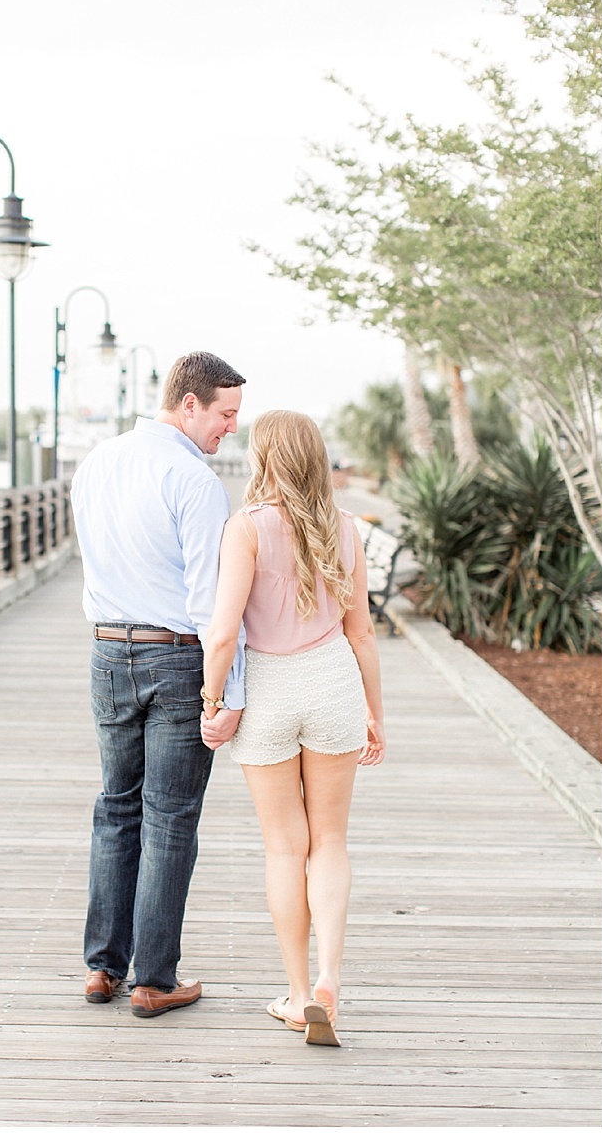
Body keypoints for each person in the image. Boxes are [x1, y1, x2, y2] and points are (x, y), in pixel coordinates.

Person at [199, 409, 385, 1048]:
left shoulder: (245, 528)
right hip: (333, 683)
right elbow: (361, 630)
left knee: (285, 846)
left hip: (270, 694)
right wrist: (375, 713)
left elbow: (224, 632)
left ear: (264, 458)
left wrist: (211, 698)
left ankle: (300, 994)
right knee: (329, 841)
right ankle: (332, 980)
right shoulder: (346, 527)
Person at [69, 351, 246, 1018]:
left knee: (116, 805)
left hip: (108, 651)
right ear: (191, 402)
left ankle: (101, 968)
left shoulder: (96, 462)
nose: (230, 428)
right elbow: (210, 603)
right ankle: (155, 978)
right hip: (176, 655)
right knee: (168, 817)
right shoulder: (194, 481)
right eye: (225, 414)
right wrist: (224, 695)